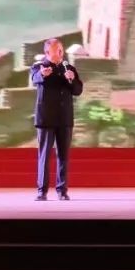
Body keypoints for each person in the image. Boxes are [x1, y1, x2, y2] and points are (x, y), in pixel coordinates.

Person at [29, 38, 84, 201]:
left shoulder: (69, 68)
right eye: (57, 50)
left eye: (61, 49)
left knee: (63, 156)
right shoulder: (39, 67)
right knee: (44, 155)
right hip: (46, 118)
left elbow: (78, 90)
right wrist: (42, 75)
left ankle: (62, 190)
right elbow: (35, 79)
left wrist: (72, 79)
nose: (61, 53)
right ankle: (42, 191)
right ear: (47, 52)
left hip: (64, 118)